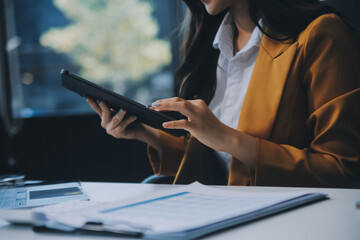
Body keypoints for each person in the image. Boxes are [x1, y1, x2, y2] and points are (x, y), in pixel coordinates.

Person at [86, 0, 360, 187]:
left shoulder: (321, 34)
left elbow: (341, 169)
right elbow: (220, 166)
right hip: (220, 214)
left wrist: (226, 137)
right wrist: (147, 134)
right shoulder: (208, 45)